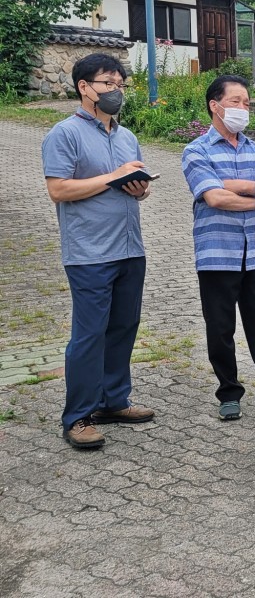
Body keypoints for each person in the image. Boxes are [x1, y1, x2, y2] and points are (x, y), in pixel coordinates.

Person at [41, 53, 155, 450]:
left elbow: (127, 186)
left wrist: (139, 188)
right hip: (89, 252)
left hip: (129, 246)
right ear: (84, 87)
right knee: (89, 335)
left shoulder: (126, 137)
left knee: (124, 327)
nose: (116, 91)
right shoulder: (64, 133)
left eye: (121, 84)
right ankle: (78, 415)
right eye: (108, 84)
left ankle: (113, 401)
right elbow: (59, 189)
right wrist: (113, 177)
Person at [182, 75, 255, 421]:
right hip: (217, 253)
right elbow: (214, 197)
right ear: (215, 105)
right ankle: (229, 392)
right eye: (236, 101)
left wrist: (233, 185)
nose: (243, 109)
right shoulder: (196, 150)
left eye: (247, 103)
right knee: (220, 329)